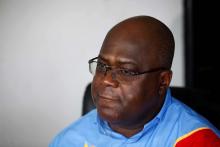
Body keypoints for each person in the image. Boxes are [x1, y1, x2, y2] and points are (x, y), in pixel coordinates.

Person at [49, 16, 220, 147]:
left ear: (163, 82)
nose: (107, 80)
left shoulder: (197, 141)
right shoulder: (69, 140)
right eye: (102, 65)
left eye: (125, 71)